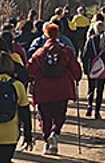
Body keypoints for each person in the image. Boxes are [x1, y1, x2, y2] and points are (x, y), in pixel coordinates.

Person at [26, 24, 82, 155]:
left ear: (45, 35)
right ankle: (55, 133)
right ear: (58, 34)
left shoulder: (40, 52)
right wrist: (77, 78)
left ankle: (47, 141)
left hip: (43, 89)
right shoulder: (66, 51)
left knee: (44, 117)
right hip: (62, 88)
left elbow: (30, 69)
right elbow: (76, 70)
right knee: (59, 114)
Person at [82, 20, 105, 120]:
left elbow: (84, 55)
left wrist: (86, 69)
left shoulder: (90, 40)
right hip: (103, 68)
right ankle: (97, 111)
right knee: (100, 90)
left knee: (91, 88)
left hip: (92, 68)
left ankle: (89, 106)